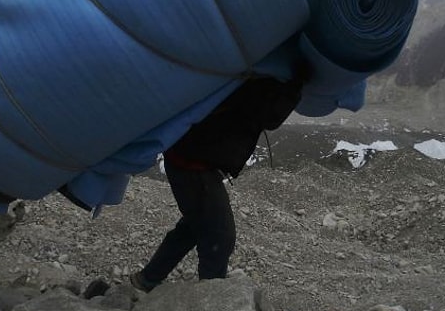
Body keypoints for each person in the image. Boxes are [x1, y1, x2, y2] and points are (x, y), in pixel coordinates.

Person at [130, 63, 310, 292]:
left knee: (196, 225)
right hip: (193, 165)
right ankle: (212, 302)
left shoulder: (243, 68)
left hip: (187, 158)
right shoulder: (254, 82)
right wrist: (296, 85)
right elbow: (270, 116)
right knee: (220, 236)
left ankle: (146, 280)